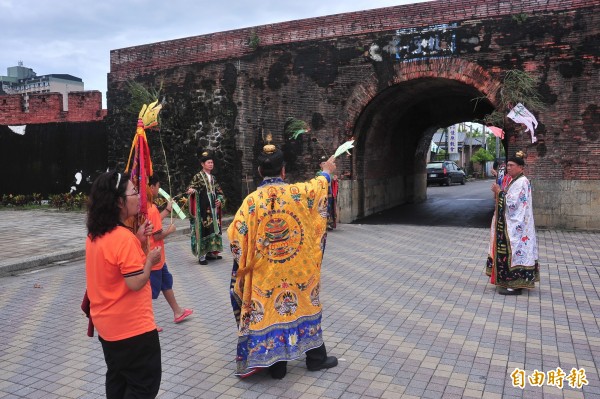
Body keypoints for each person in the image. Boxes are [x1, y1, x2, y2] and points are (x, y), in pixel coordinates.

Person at [228, 138, 338, 379]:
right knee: (305, 304)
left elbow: (235, 239)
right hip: (297, 269)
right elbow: (318, 185)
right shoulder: (297, 194)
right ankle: (315, 358)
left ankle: (277, 366)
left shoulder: (251, 202)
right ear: (284, 170)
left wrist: (248, 258)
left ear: (259, 171)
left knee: (269, 309)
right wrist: (327, 171)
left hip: (266, 273)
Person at [85, 171, 163, 398]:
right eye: (134, 192)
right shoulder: (123, 238)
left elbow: (114, 265)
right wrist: (150, 261)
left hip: (108, 329)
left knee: (118, 380)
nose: (139, 197)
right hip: (133, 331)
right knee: (143, 386)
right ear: (119, 201)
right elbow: (135, 282)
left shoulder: (95, 234)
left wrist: (137, 239)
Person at [486, 153, 540, 295]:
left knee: (516, 252)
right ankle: (512, 282)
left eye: (511, 165)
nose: (508, 168)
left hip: (517, 226)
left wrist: (499, 192)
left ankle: (515, 286)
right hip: (516, 225)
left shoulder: (522, 182)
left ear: (521, 167)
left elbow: (513, 204)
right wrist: (500, 192)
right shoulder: (514, 180)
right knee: (516, 253)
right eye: (507, 165)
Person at [147, 175, 193, 330]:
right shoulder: (151, 208)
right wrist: (170, 231)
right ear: (151, 187)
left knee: (166, 282)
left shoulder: (147, 206)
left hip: (158, 257)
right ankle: (146, 323)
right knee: (148, 293)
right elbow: (157, 234)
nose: (158, 190)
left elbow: (155, 221)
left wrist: (167, 209)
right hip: (153, 256)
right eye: (158, 187)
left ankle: (177, 311)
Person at [187, 150, 225, 265]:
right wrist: (192, 191)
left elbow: (219, 192)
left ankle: (211, 253)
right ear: (203, 164)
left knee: (213, 229)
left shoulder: (213, 178)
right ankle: (202, 255)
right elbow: (190, 188)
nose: (211, 164)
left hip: (213, 209)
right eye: (208, 162)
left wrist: (219, 200)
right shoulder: (198, 177)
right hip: (203, 209)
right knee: (203, 230)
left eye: (212, 162)